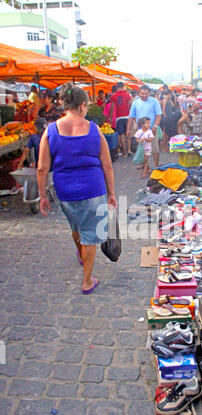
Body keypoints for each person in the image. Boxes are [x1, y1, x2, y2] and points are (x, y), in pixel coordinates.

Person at [37, 82, 117, 295]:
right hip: (93, 191)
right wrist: (111, 194)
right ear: (82, 106)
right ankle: (87, 281)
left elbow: (42, 169)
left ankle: (81, 255)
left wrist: (42, 195)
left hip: (65, 193)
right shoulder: (94, 130)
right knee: (90, 234)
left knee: (76, 226)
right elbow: (107, 165)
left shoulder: (50, 131)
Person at [127, 85, 162, 167]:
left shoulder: (154, 101)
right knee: (143, 149)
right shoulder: (135, 103)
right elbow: (131, 117)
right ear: (139, 93)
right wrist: (128, 129)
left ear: (149, 93)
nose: (144, 95)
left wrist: (155, 126)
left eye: (146, 93)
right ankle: (145, 166)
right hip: (141, 131)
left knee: (154, 149)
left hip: (152, 129)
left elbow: (159, 115)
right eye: (142, 93)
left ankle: (156, 166)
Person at [110, 82, 132, 157]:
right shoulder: (127, 95)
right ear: (123, 86)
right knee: (128, 133)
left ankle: (124, 152)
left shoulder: (114, 96)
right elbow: (130, 105)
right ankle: (129, 150)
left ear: (117, 87)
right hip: (127, 116)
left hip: (119, 118)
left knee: (121, 135)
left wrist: (110, 118)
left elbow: (112, 108)